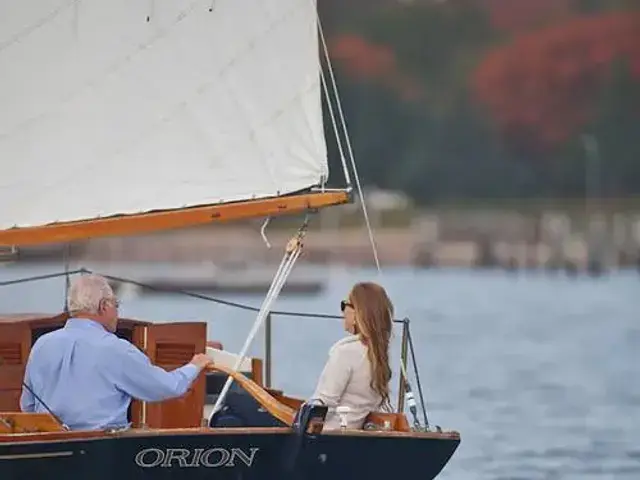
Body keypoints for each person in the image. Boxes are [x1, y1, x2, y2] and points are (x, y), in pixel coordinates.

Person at [20, 274, 213, 431]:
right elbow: (166, 387)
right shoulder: (116, 349)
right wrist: (194, 365)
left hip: (48, 447)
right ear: (104, 306)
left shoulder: (41, 345)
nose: (117, 313)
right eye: (116, 305)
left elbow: (27, 406)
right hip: (102, 452)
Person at [311, 282, 393, 430]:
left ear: (358, 313)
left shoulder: (345, 352)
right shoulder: (378, 354)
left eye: (345, 305)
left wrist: (299, 418)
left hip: (328, 434)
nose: (342, 311)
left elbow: (324, 405)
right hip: (353, 431)